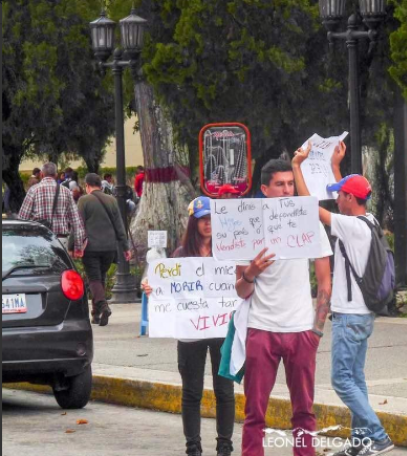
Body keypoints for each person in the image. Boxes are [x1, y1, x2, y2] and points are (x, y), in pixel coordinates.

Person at [292, 142, 395, 456]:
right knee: (356, 378)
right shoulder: (370, 220)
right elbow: (343, 201)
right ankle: (360, 443)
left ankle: (378, 436)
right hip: (363, 316)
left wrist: (297, 167)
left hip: (350, 316)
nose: (336, 198)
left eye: (340, 194)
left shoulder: (351, 228)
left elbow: (310, 208)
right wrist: (337, 166)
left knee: (340, 379)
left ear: (351, 199)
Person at [234, 159, 332, 456]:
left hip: (301, 330)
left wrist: (316, 330)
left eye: (291, 184)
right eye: (280, 184)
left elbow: (325, 281)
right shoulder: (248, 228)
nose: (287, 190)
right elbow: (241, 288)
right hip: (261, 329)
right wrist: (251, 271)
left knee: (304, 411)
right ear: (264, 189)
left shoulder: (310, 223)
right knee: (255, 413)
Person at [142, 196, 235, 456]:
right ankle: (192, 445)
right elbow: (167, 291)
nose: (208, 224)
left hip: (222, 330)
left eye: (212, 219)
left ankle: (225, 445)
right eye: (203, 219)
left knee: (224, 390)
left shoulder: (229, 252)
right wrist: (153, 289)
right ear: (194, 223)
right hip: (191, 331)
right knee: (192, 391)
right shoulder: (180, 256)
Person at [76, 173, 131, 326]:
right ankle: (96, 314)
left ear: (87, 185)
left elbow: (78, 225)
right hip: (109, 247)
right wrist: (125, 247)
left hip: (91, 247)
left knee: (94, 278)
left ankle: (103, 305)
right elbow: (120, 225)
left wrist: (73, 246)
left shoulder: (84, 200)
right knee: (100, 278)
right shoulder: (112, 200)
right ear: (100, 185)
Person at [18, 162, 85, 257]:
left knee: (41, 270)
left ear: (41, 174)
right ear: (56, 175)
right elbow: (76, 221)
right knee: (60, 270)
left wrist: (23, 242)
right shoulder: (66, 192)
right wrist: (78, 247)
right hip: (60, 241)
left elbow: (22, 218)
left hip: (39, 240)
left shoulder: (33, 190)